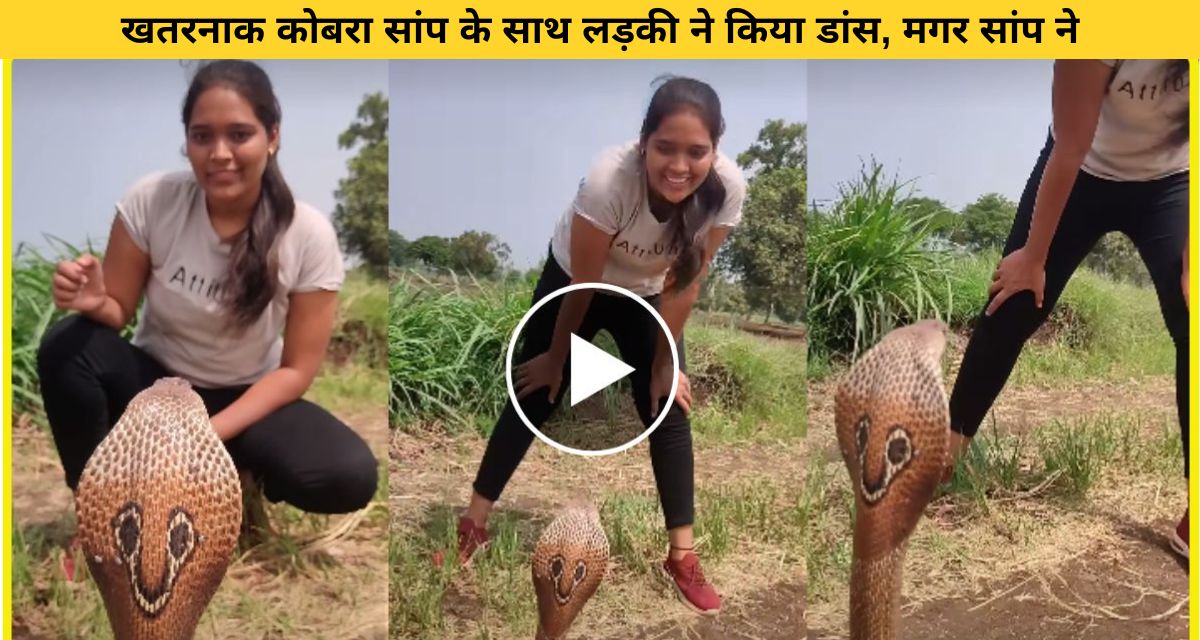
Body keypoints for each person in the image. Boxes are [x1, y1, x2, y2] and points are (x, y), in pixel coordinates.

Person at [37, 60, 378, 528]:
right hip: (156, 390)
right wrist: (94, 301)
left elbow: (296, 371)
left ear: (272, 137)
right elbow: (116, 311)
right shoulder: (151, 201)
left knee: (349, 476)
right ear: (188, 142)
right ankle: (100, 510)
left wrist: (203, 437)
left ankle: (234, 477)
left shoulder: (308, 233)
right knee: (67, 346)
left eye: (239, 134)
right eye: (202, 136)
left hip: (244, 398)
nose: (220, 153)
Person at [456, 76, 747, 615]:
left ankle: (681, 556)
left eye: (696, 151)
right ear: (643, 143)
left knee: (668, 406)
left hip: (651, 293)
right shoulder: (608, 182)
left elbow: (688, 280)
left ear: (715, 150)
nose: (679, 165)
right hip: (575, 277)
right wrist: (556, 359)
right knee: (532, 393)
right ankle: (472, 524)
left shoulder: (726, 190)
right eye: (665, 148)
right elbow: (583, 288)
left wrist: (664, 363)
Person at [945, 60, 1189, 557]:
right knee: (1013, 304)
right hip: (1082, 171)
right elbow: (1071, 145)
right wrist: (1033, 258)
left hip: (1173, 183)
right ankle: (943, 456)